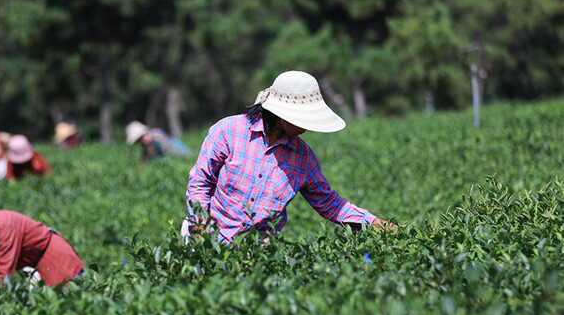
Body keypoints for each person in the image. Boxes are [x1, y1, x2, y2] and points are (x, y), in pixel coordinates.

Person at [183, 70, 397, 244]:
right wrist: (200, 229)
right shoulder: (228, 131)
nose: (307, 127)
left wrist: (375, 222)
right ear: (282, 115)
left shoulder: (303, 158)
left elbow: (330, 203)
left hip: (257, 253)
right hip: (207, 238)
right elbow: (200, 182)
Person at [126, 120, 191, 161]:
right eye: (140, 140)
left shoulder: (157, 136)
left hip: (178, 150)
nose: (143, 140)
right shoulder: (147, 144)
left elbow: (171, 150)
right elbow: (145, 156)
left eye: (142, 137)